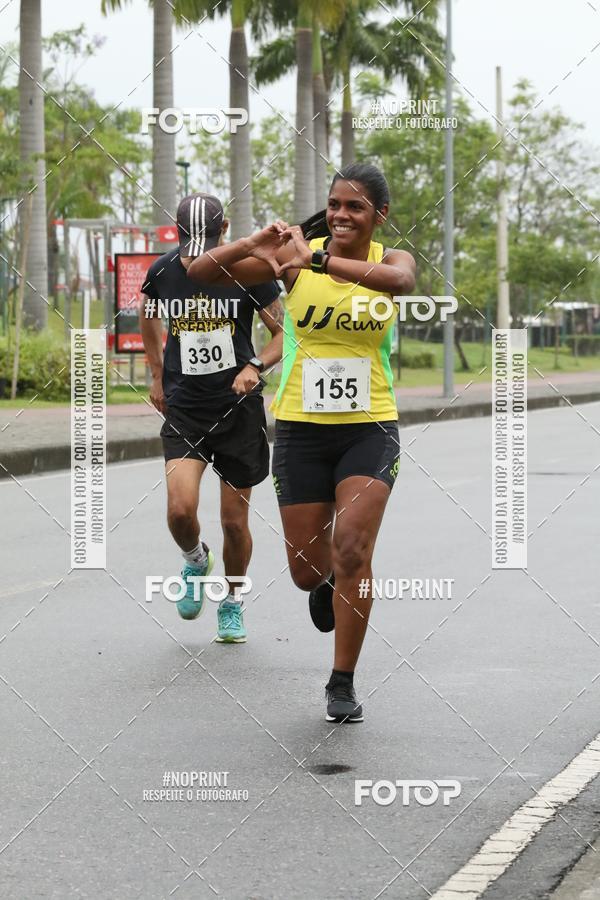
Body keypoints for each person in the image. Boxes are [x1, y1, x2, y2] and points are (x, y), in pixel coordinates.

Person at [188, 163, 416, 721]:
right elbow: (200, 273)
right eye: (335, 204)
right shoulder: (289, 258)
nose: (341, 215)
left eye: (355, 207)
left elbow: (401, 284)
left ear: (378, 216)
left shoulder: (389, 259)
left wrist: (312, 258)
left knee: (355, 548)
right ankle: (330, 580)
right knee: (306, 572)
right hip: (300, 429)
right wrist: (254, 243)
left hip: (370, 427)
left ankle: (342, 682)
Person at [141, 192, 285, 643]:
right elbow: (149, 316)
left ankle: (232, 601)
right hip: (185, 407)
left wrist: (254, 367)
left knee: (233, 522)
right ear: (177, 233)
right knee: (181, 510)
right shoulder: (163, 271)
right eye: (187, 242)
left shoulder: (249, 274)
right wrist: (157, 374)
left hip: (237, 411)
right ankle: (194, 560)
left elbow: (285, 335)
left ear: (225, 231)